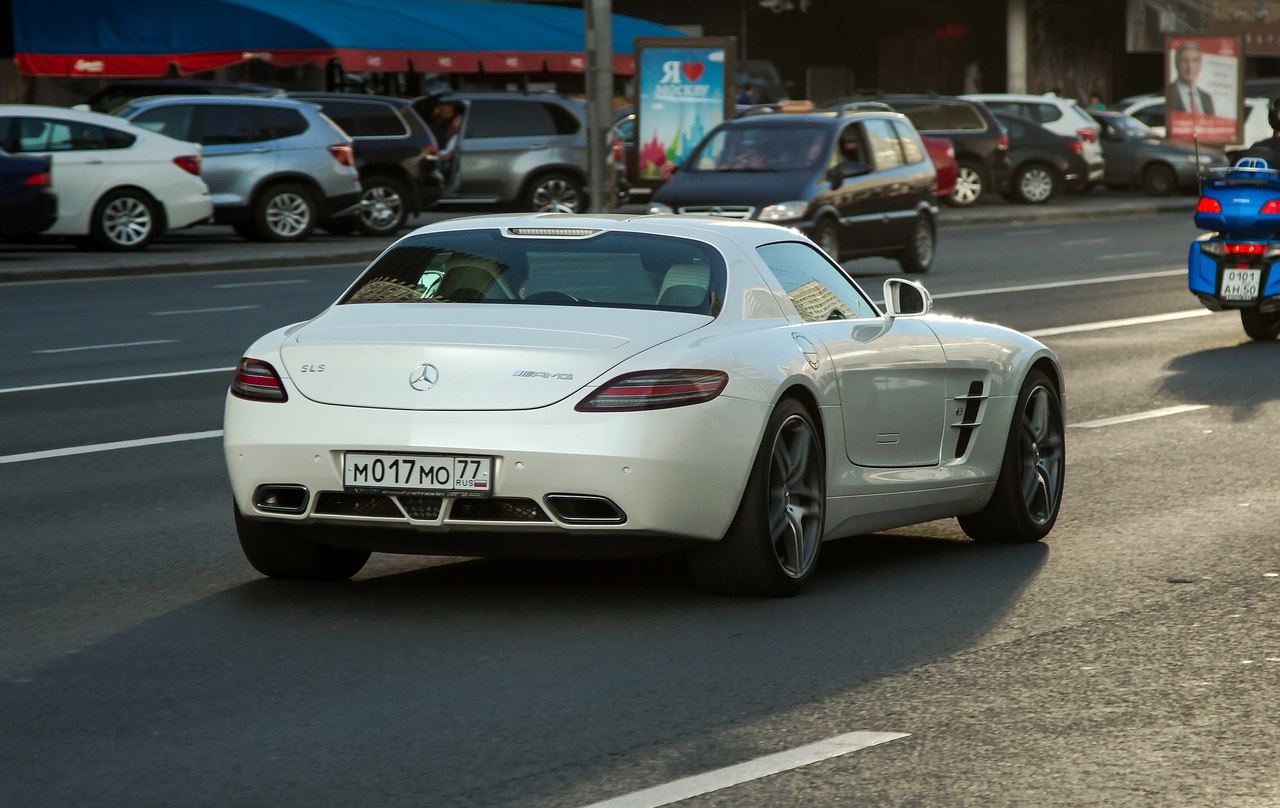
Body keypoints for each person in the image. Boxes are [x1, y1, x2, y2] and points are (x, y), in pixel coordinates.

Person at [1168, 41, 1214, 115]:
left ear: (1200, 64)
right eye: (1185, 61)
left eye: (1195, 61)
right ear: (1176, 64)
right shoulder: (1168, 93)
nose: (1190, 66)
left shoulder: (1206, 98)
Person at [437, 109, 463, 180]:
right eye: (455, 119)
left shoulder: (457, 138)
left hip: (443, 163)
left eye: (458, 119)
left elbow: (448, 156)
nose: (454, 120)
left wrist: (434, 157)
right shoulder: (453, 135)